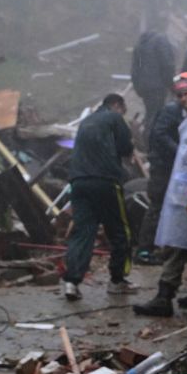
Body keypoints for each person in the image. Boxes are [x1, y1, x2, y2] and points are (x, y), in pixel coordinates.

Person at [133, 72, 187, 319]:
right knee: (175, 246)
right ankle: (164, 297)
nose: (182, 98)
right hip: (182, 196)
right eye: (179, 94)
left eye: (186, 93)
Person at [62, 93, 134, 302]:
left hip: (78, 182)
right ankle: (117, 281)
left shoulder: (85, 122)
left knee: (82, 232)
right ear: (116, 104)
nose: (123, 114)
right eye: (123, 110)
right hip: (105, 181)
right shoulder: (114, 117)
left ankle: (71, 282)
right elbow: (125, 147)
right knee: (120, 230)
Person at [131, 81, 183, 264]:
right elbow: (160, 135)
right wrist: (180, 151)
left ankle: (158, 248)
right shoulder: (172, 110)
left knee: (163, 207)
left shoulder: (178, 111)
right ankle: (144, 251)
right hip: (162, 168)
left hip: (167, 166)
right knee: (157, 206)